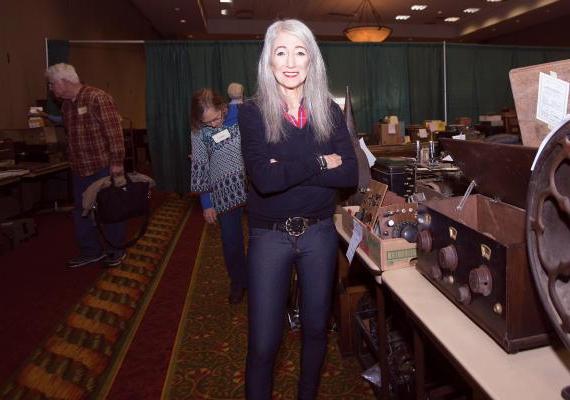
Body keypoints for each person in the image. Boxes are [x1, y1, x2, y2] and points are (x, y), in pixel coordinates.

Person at [238, 19, 358, 399]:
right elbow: (265, 181)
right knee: (263, 344)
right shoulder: (252, 113)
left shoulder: (329, 111)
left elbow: (351, 176)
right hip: (268, 237)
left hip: (319, 234)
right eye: (281, 51)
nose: (291, 61)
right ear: (268, 61)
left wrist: (286, 168)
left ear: (312, 60)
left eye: (300, 51)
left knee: (316, 330)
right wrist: (322, 162)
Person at [44, 63, 126, 268]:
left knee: (109, 209)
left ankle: (116, 249)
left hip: (102, 166)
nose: (51, 88)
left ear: (64, 81)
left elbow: (115, 133)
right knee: (81, 210)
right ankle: (91, 251)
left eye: (52, 84)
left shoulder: (98, 98)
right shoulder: (66, 106)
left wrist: (116, 164)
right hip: (80, 168)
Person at [190, 88, 248, 304]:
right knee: (231, 241)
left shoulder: (237, 113)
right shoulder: (198, 131)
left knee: (260, 239)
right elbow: (200, 166)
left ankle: (258, 278)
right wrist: (207, 203)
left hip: (251, 187)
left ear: (223, 107)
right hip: (223, 191)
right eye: (208, 123)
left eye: (216, 118)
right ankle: (238, 281)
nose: (214, 124)